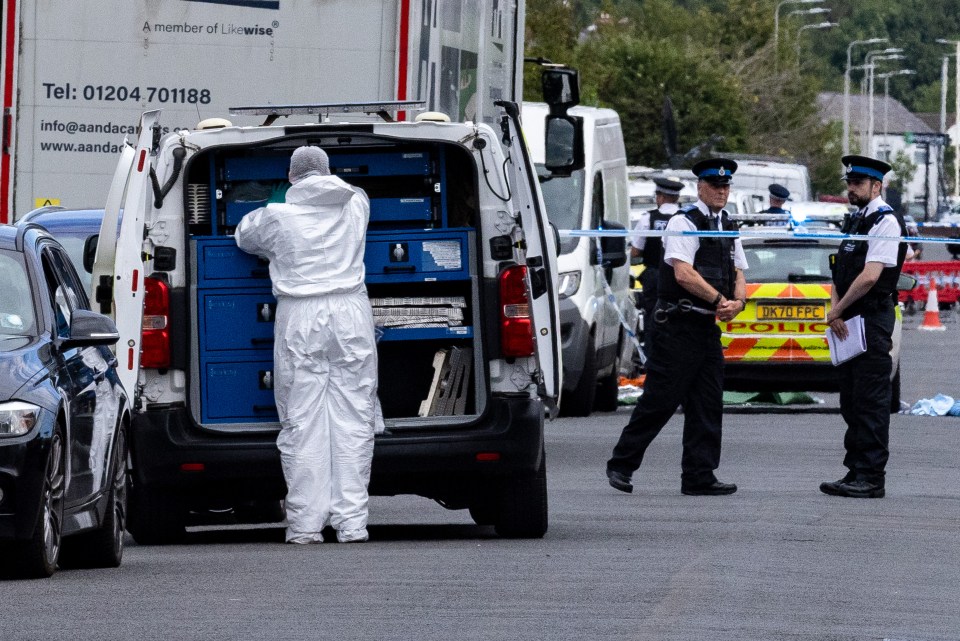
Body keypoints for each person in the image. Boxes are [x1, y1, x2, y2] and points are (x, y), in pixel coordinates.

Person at [235, 145, 383, 543]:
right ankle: (352, 523)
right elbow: (346, 194)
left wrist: (276, 198)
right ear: (328, 170)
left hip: (301, 316)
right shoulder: (357, 204)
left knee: (302, 421)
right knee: (354, 420)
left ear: (291, 176)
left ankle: (305, 525)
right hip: (351, 314)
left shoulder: (276, 217)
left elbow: (243, 235)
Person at [607, 158, 748, 496]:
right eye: (715, 186)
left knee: (708, 402)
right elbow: (683, 273)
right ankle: (622, 464)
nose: (721, 191)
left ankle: (699, 474)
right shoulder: (684, 222)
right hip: (677, 325)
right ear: (700, 187)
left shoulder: (727, 224)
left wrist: (738, 303)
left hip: (705, 327)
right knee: (660, 400)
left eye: (725, 186)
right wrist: (720, 301)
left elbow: (739, 271)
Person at [821, 154, 907, 500]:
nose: (851, 189)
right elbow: (839, 271)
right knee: (851, 400)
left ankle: (871, 476)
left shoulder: (885, 222)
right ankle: (855, 469)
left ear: (876, 185)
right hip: (848, 321)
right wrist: (836, 310)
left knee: (871, 401)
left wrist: (838, 310)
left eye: (858, 184)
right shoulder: (856, 222)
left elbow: (871, 276)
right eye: (850, 183)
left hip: (871, 319)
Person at [630, 176, 684, 348]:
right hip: (681, 275)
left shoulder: (648, 219)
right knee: (680, 316)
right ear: (676, 197)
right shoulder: (686, 219)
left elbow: (636, 250)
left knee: (653, 316)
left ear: (660, 197)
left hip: (655, 275)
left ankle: (653, 356)